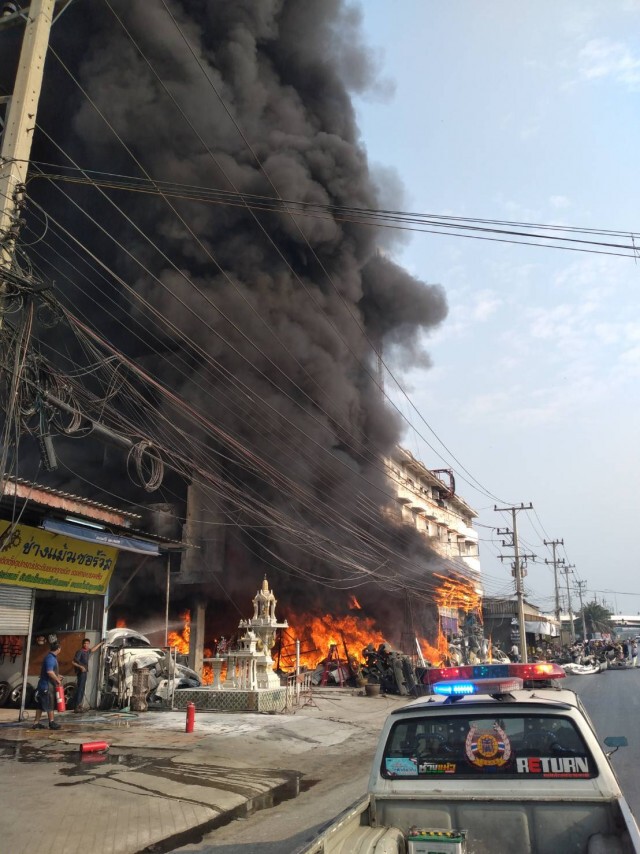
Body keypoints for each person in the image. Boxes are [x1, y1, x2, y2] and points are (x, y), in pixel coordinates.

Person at [33, 642, 63, 730]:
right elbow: (49, 672)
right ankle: (51, 722)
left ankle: (36, 723)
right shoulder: (50, 658)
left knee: (40, 705)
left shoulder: (51, 657)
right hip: (47, 685)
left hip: (43, 684)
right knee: (50, 704)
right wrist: (57, 680)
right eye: (60, 649)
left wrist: (57, 675)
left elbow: (51, 671)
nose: (60, 650)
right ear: (58, 649)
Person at [72, 637, 104, 712]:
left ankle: (79, 705)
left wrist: (101, 643)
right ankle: (76, 707)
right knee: (80, 689)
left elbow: (93, 649)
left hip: (85, 672)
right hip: (81, 672)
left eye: (87, 643)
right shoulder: (80, 652)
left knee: (82, 689)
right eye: (85, 643)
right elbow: (73, 662)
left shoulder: (87, 651)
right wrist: (80, 667)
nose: (86, 645)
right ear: (82, 644)